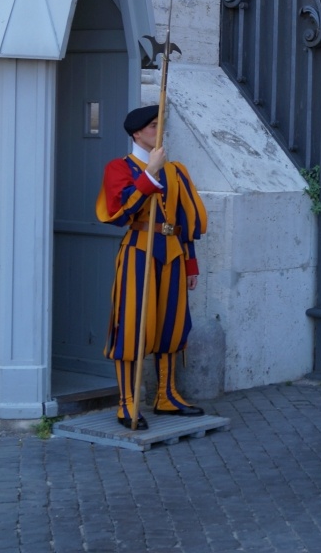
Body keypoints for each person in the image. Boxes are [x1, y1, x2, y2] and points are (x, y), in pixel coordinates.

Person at [96, 105, 209, 430]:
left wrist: (190, 263)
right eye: (152, 126)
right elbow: (120, 213)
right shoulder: (120, 168)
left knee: (172, 325)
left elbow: (185, 220)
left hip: (172, 253)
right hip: (138, 251)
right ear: (136, 133)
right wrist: (149, 175)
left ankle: (166, 395)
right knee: (131, 325)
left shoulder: (176, 171)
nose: (159, 131)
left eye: (161, 125)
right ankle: (127, 403)